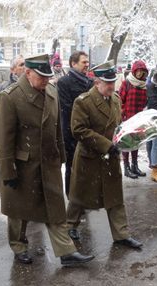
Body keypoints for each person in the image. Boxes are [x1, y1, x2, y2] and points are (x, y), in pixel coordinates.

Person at [0, 54, 94, 266]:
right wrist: (8, 172)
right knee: (18, 211)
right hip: (23, 165)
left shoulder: (51, 91)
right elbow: (3, 140)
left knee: (55, 208)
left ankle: (66, 251)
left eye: (48, 76)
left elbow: (56, 127)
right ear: (28, 73)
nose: (46, 80)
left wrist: (61, 156)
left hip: (48, 162)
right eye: (42, 77)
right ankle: (19, 246)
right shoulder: (9, 97)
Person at [66, 61, 143, 249]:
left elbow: (117, 127)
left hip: (111, 156)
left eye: (113, 81)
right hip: (89, 157)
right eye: (107, 82)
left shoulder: (116, 100)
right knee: (79, 197)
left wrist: (128, 137)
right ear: (96, 83)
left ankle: (121, 234)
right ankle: (70, 226)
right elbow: (78, 130)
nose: (111, 86)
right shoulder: (83, 102)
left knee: (115, 197)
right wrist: (105, 145)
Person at [56, 50, 93, 196]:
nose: (87, 65)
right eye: (84, 62)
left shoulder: (89, 82)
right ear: (73, 63)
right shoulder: (64, 82)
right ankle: (72, 199)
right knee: (72, 167)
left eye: (87, 62)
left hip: (88, 131)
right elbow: (67, 108)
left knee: (86, 166)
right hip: (72, 133)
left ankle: (84, 196)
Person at [119, 60, 148, 179]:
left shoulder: (144, 85)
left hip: (138, 118)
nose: (140, 73)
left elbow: (145, 102)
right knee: (126, 143)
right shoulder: (126, 83)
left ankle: (135, 165)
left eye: (142, 71)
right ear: (134, 71)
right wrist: (123, 115)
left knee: (136, 143)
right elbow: (120, 100)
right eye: (138, 71)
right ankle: (126, 167)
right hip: (127, 118)